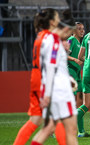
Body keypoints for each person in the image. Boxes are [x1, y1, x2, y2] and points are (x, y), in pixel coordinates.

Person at [13, 8, 66, 145]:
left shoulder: (40, 36)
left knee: (36, 120)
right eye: (57, 17)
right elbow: (50, 66)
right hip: (45, 81)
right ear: (52, 22)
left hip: (36, 79)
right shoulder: (52, 38)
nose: (59, 20)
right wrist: (48, 93)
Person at [31, 10, 78, 145]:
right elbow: (51, 67)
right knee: (71, 131)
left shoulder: (44, 38)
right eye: (57, 18)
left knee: (48, 128)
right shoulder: (53, 41)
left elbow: (51, 67)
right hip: (60, 92)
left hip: (52, 87)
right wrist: (46, 95)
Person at [67, 22, 85, 108]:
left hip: (77, 72)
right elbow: (64, 54)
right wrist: (74, 59)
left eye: (83, 29)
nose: (82, 31)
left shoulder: (79, 43)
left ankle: (77, 118)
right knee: (72, 98)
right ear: (73, 30)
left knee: (81, 96)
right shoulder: (71, 40)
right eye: (79, 29)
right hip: (70, 71)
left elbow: (81, 57)